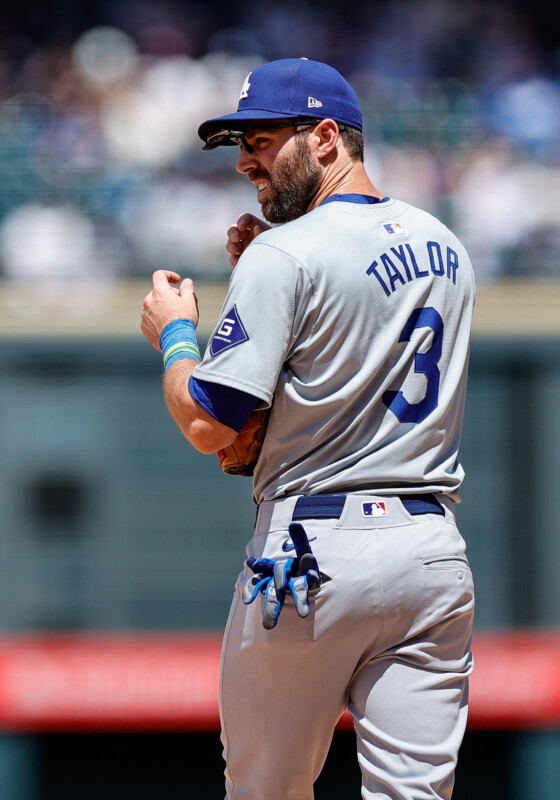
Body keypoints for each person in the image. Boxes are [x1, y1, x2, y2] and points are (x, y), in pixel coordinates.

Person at [140, 58, 475, 799]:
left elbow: (209, 423)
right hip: (429, 551)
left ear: (325, 136)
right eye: (241, 143)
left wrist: (176, 339)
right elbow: (342, 349)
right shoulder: (446, 245)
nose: (243, 161)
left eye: (261, 139)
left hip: (314, 548)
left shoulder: (282, 253)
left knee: (266, 790)